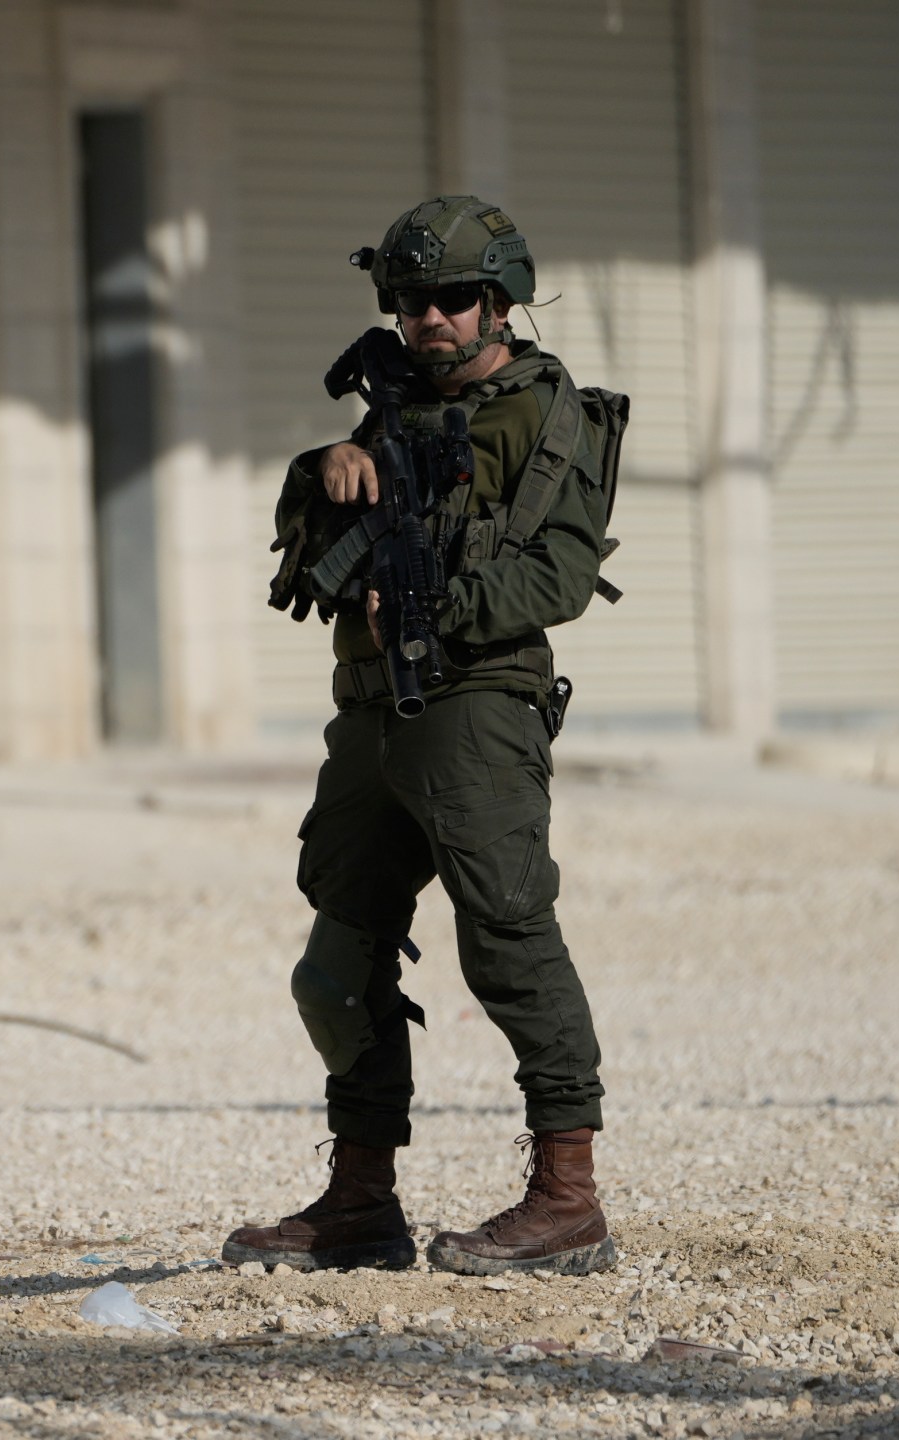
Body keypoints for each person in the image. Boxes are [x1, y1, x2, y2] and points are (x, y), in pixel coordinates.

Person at [236, 196, 623, 1276]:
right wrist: (322, 472)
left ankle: (567, 1197)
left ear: (498, 301)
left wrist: (437, 607)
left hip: (476, 705)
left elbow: (563, 571)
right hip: (367, 714)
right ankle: (360, 1200)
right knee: (336, 963)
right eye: (409, 303)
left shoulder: (553, 414)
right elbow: (296, 536)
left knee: (506, 938)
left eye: (452, 298)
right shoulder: (385, 411)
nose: (429, 319)